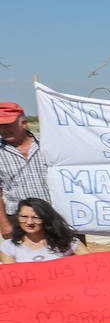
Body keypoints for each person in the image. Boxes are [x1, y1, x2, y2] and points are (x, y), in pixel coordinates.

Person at [0, 103, 50, 241]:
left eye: (8, 125)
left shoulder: (48, 144)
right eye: (0, 126)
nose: (3, 130)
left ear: (23, 123)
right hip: (18, 220)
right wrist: (3, 224)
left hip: (54, 215)